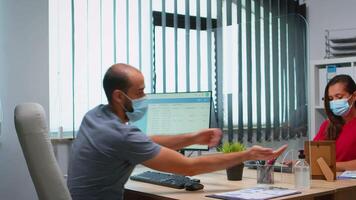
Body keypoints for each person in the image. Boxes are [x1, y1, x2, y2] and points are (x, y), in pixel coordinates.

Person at [67, 63, 287, 200]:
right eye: (140, 91)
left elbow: (145, 141)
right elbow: (189, 167)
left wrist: (192, 137)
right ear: (118, 96)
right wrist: (247, 154)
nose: (144, 97)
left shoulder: (94, 116)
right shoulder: (120, 136)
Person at [313, 74, 356, 171]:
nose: (334, 102)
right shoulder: (327, 125)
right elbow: (313, 155)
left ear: (353, 96)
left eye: (339, 97)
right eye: (331, 99)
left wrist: (332, 166)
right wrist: (299, 163)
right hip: (326, 182)